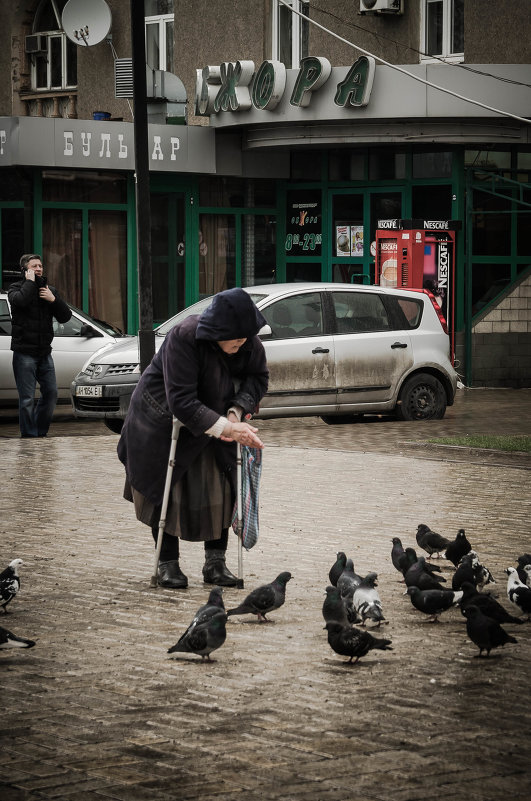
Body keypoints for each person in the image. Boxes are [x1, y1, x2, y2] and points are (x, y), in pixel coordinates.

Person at [117, 288, 269, 589]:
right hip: (161, 422)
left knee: (222, 491)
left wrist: (237, 412)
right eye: (234, 338)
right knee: (166, 491)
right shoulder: (185, 337)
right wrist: (226, 428)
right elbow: (181, 400)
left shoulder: (249, 342)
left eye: (244, 338)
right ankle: (167, 564)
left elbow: (257, 378)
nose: (240, 344)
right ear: (218, 331)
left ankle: (215, 564)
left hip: (216, 420)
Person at [8, 253, 72, 438]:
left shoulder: (49, 290)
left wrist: (54, 299)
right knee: (27, 398)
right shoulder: (15, 289)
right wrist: (30, 283)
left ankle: (40, 432)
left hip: (44, 352)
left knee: (51, 393)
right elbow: (20, 301)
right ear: (25, 270)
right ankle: (29, 435)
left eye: (40, 266)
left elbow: (65, 317)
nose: (39, 269)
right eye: (34, 266)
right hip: (24, 353)